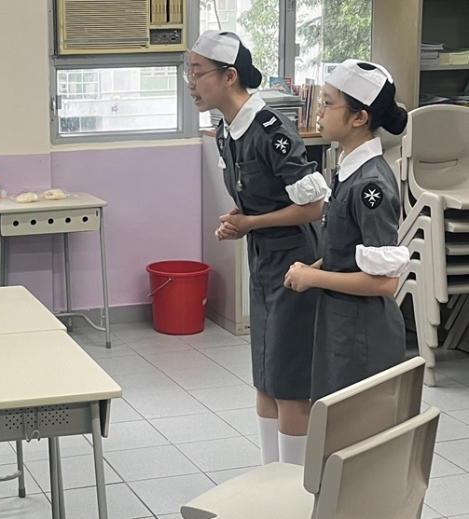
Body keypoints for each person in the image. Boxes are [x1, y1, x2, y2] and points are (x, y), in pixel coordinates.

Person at [187, 30, 328, 465]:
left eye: (198, 73)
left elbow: (312, 206)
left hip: (295, 259)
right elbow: (257, 192)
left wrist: (252, 223)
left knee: (289, 381)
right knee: (265, 376)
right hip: (264, 259)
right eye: (188, 73)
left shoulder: (271, 129)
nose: (191, 83)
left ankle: (294, 486)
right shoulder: (226, 130)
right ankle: (270, 477)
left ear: (229, 76)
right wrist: (240, 218)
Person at [284, 59, 408, 401]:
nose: (319, 112)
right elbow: (347, 250)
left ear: (359, 117)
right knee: (330, 420)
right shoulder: (348, 169)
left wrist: (314, 278)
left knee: (354, 427)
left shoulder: (371, 185)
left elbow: (385, 282)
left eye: (327, 103)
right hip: (340, 322)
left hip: (362, 332)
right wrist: (315, 267)